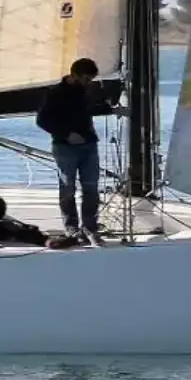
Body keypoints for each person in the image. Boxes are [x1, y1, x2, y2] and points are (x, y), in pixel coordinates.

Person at [36, 57, 116, 246]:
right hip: (65, 147)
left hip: (89, 145)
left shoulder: (87, 91)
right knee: (68, 188)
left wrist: (112, 109)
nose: (90, 83)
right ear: (74, 75)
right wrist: (67, 134)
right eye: (87, 79)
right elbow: (42, 120)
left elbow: (92, 108)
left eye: (92, 80)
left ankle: (90, 228)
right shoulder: (55, 93)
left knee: (91, 187)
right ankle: (71, 229)